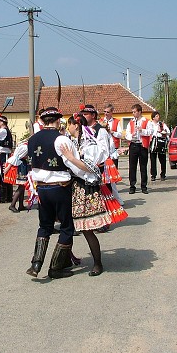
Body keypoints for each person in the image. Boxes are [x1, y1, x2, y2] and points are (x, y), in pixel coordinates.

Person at [25, 107, 92, 279]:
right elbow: (74, 165)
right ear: (57, 121)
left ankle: (36, 264)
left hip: (41, 188)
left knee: (45, 226)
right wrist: (88, 176)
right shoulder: (62, 139)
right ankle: (55, 268)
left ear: (42, 121)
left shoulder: (32, 139)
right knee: (67, 227)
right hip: (60, 187)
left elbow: (22, 159)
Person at [64, 114, 112, 277]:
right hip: (76, 186)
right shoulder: (75, 141)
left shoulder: (88, 142)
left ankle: (98, 263)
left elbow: (89, 167)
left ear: (75, 125)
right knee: (71, 226)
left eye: (68, 124)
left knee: (87, 229)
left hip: (87, 188)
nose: (67, 127)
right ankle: (65, 259)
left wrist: (70, 158)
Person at [124, 103, 152, 194]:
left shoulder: (147, 121)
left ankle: (144, 186)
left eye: (134, 112)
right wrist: (131, 136)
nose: (133, 114)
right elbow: (127, 133)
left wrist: (141, 130)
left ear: (139, 112)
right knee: (132, 166)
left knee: (143, 166)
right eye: (132, 112)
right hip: (133, 144)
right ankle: (132, 186)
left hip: (142, 145)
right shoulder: (131, 122)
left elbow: (150, 132)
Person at [3, 140, 29, 213]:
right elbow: (22, 156)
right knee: (21, 186)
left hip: (21, 164)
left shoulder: (23, 146)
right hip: (21, 165)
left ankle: (21, 205)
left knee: (22, 186)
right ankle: (12, 205)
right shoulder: (25, 147)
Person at [148, 111, 170, 182]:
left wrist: (164, 132)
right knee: (153, 160)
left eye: (158, 116)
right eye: (157, 116)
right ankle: (153, 175)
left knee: (162, 160)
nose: (158, 117)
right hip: (153, 143)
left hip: (161, 142)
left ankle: (163, 174)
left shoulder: (161, 124)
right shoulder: (150, 124)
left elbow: (168, 131)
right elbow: (149, 132)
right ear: (153, 117)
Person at [101, 103, 122, 168]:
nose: (106, 113)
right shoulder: (100, 121)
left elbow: (120, 135)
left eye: (108, 112)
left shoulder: (116, 121)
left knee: (114, 167)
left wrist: (112, 132)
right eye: (104, 111)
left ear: (111, 112)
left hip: (114, 147)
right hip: (103, 147)